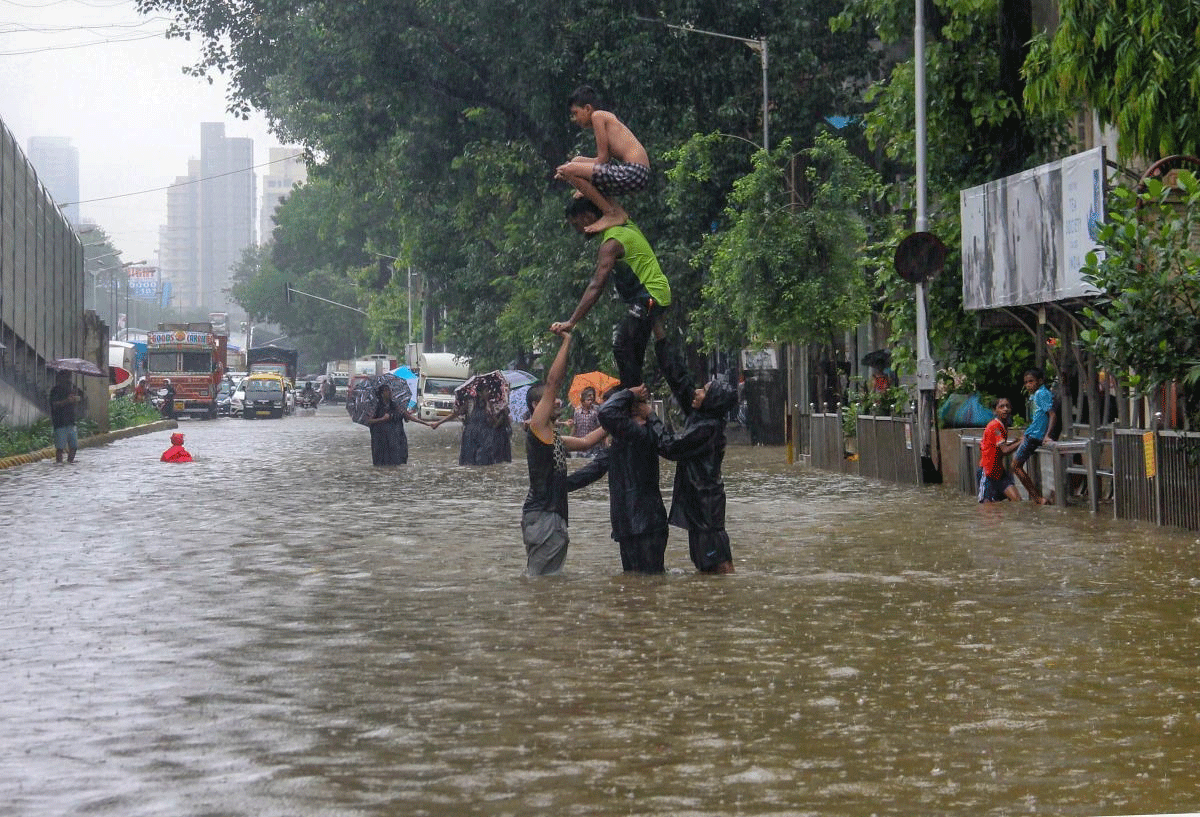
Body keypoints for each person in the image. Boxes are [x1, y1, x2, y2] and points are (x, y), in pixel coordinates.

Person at [552, 197, 671, 389]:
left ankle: (633, 398)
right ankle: (636, 397)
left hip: (650, 296)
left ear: (588, 216)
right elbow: (604, 195)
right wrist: (578, 185)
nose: (578, 231)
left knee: (622, 345)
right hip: (654, 295)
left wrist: (572, 321)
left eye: (576, 224)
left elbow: (596, 285)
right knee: (635, 352)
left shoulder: (612, 242)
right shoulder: (625, 222)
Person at [522, 330, 609, 576]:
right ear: (536, 407)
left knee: (546, 580)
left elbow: (586, 442)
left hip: (551, 515)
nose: (558, 401)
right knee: (542, 582)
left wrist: (617, 418)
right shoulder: (537, 428)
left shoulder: (555, 437)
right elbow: (553, 383)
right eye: (551, 401)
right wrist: (567, 341)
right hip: (544, 516)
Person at [654, 334, 739, 574]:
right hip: (701, 508)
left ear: (711, 400)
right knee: (705, 564)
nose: (697, 391)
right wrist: (661, 339)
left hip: (705, 511)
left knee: (715, 565)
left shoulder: (706, 429)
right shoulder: (702, 417)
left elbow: (670, 447)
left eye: (704, 390)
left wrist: (650, 417)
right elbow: (679, 379)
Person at [567, 384, 669, 573]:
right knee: (635, 585)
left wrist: (629, 393)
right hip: (628, 524)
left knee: (647, 584)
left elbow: (606, 413)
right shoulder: (623, 438)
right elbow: (594, 470)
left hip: (645, 525)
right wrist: (559, 486)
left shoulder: (642, 433)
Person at [555, 85, 650, 234]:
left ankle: (612, 214)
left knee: (570, 169)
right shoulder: (605, 117)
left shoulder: (598, 116)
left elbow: (603, 159)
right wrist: (578, 173)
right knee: (576, 161)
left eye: (575, 113)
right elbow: (604, 162)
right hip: (637, 174)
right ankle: (617, 211)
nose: (575, 119)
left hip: (634, 172)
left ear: (587, 108)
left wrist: (572, 173)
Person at [433, 377, 513, 465]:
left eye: (488, 391)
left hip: (485, 435)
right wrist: (438, 423)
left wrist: (495, 412)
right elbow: (455, 414)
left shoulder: (490, 403)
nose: (488, 393)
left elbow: (494, 422)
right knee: (469, 461)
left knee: (484, 461)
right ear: (479, 392)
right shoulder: (470, 402)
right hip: (470, 435)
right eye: (486, 391)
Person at [1011, 367, 1057, 505]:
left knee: (1015, 466)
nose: (1028, 385)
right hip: (1032, 434)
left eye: (1031, 381)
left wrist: (1047, 435)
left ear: (1040, 381)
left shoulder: (1041, 394)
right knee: (1016, 465)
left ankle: (1037, 498)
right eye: (1026, 382)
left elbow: (1052, 414)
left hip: (1035, 436)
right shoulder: (1038, 394)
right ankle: (1038, 497)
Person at [365, 383, 427, 465]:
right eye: (387, 390)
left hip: (396, 439)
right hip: (380, 440)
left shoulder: (396, 405)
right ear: (381, 393)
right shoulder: (375, 406)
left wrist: (427, 424)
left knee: (398, 462)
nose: (389, 392)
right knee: (381, 463)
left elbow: (408, 417)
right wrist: (382, 419)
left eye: (389, 390)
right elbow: (368, 421)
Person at [977, 397, 1021, 503]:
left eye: (1007, 406)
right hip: (988, 473)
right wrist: (1021, 442)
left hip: (1000, 473)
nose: (1005, 409)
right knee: (988, 510)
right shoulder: (995, 426)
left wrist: (1016, 442)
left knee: (1017, 500)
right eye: (1001, 407)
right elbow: (1005, 450)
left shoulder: (1002, 426)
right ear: (995, 411)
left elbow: (999, 448)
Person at [48, 369, 83, 464]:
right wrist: (67, 401)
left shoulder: (70, 390)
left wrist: (74, 401)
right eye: (67, 377)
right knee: (60, 448)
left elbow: (72, 405)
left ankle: (69, 462)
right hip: (60, 422)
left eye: (69, 377)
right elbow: (54, 404)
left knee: (74, 446)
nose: (68, 379)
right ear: (60, 378)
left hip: (71, 421)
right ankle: (59, 464)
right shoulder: (55, 391)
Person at [566, 386, 603, 457]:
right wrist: (570, 439)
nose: (590, 401)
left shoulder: (595, 412)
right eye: (588, 399)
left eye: (592, 398)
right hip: (580, 443)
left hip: (592, 443)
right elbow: (575, 426)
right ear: (583, 401)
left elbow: (599, 427)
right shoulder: (577, 412)